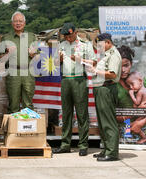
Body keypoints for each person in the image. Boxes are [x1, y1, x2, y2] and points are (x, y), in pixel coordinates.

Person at [52, 23, 96, 156]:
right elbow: (53, 64)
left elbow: (93, 62)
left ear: (75, 32)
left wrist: (80, 60)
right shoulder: (62, 45)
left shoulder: (85, 44)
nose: (68, 39)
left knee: (82, 113)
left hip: (79, 79)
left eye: (70, 36)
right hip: (65, 79)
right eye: (66, 36)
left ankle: (83, 145)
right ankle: (65, 144)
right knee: (66, 114)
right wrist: (58, 60)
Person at [85, 33, 122, 161]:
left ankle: (112, 152)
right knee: (102, 122)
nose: (99, 47)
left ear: (107, 42)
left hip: (107, 88)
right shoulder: (104, 55)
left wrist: (96, 71)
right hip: (100, 88)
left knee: (108, 122)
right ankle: (106, 149)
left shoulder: (114, 55)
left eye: (100, 44)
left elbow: (112, 74)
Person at [0, 11, 38, 113]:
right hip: (13, 72)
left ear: (24, 23)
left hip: (28, 72)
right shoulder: (6, 38)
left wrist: (34, 54)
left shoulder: (31, 37)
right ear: (12, 23)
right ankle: (13, 128)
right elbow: (0, 58)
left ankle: (27, 127)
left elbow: (39, 57)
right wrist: (7, 54)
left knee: (28, 103)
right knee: (13, 103)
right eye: (16, 21)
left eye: (20, 21)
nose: (18, 23)